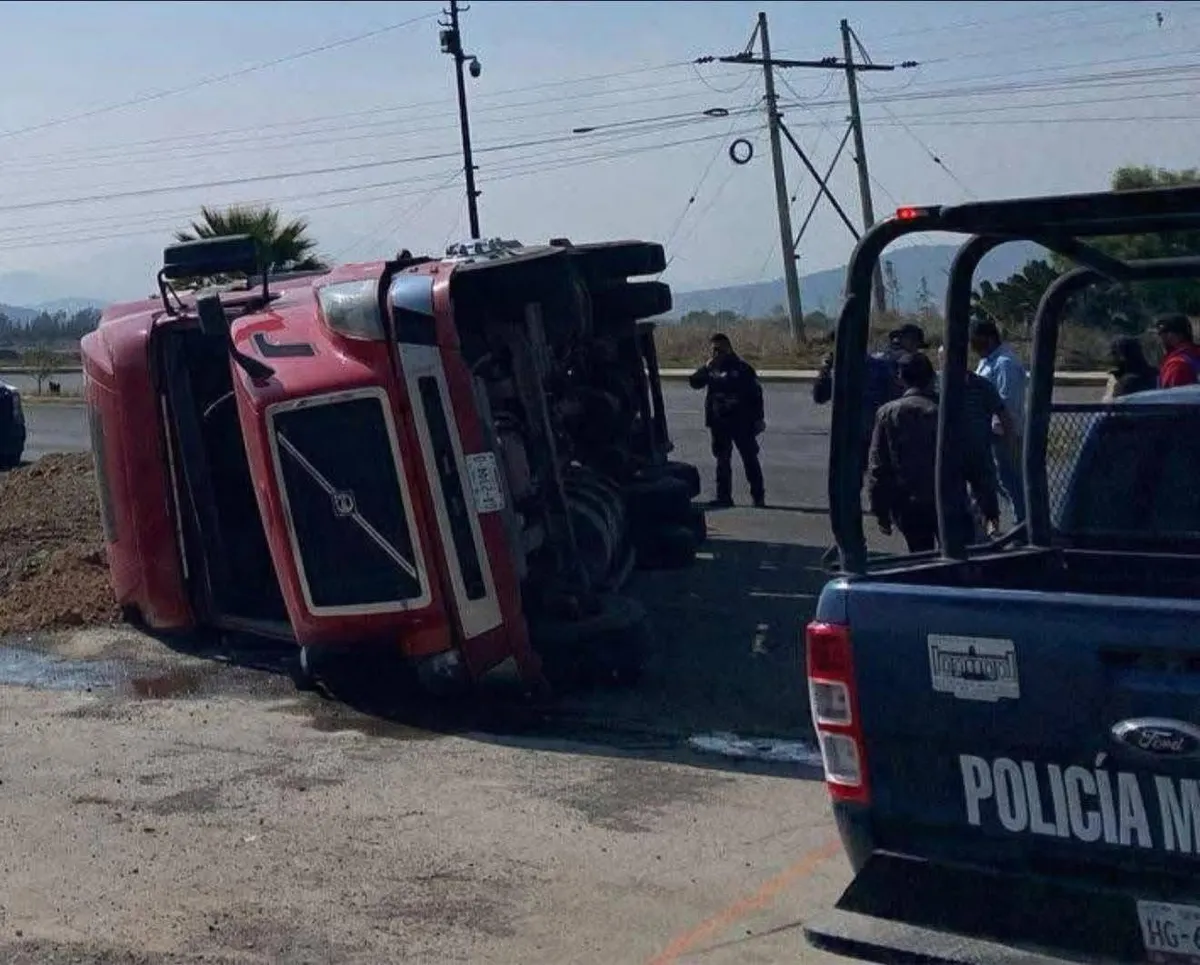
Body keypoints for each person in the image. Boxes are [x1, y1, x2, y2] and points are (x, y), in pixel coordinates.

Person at [867, 352, 1000, 553]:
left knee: (919, 558)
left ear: (900, 379)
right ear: (932, 377)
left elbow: (878, 466)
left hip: (909, 504)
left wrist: (880, 511)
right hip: (950, 500)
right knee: (956, 557)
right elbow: (975, 459)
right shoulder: (949, 411)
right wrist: (988, 504)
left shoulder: (887, 413)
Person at [688, 332, 766, 508]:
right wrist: (706, 368)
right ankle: (723, 496)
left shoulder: (742, 369)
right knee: (722, 460)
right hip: (719, 422)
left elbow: (756, 395)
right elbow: (694, 382)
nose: (716, 353)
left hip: (741, 422)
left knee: (749, 458)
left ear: (728, 348)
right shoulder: (711, 368)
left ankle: (758, 496)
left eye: (719, 349)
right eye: (713, 350)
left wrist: (759, 419)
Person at [970, 319, 1027, 523]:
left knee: (1009, 479)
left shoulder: (1005, 364)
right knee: (995, 479)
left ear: (990, 339)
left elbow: (1006, 403)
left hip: (1003, 434)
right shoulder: (987, 361)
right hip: (988, 434)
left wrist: (1000, 431)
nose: (973, 347)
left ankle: (1024, 521)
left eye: (976, 341)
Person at [1103, 335, 1158, 400]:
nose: (1113, 359)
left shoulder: (1127, 383)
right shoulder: (1155, 375)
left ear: (1122, 356)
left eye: (1114, 354)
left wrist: (1114, 385)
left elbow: (1111, 406)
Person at [1154, 314, 1200, 388]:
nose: (1162, 338)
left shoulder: (1177, 364)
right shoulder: (1194, 352)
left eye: (1166, 333)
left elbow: (1172, 396)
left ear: (1180, 335)